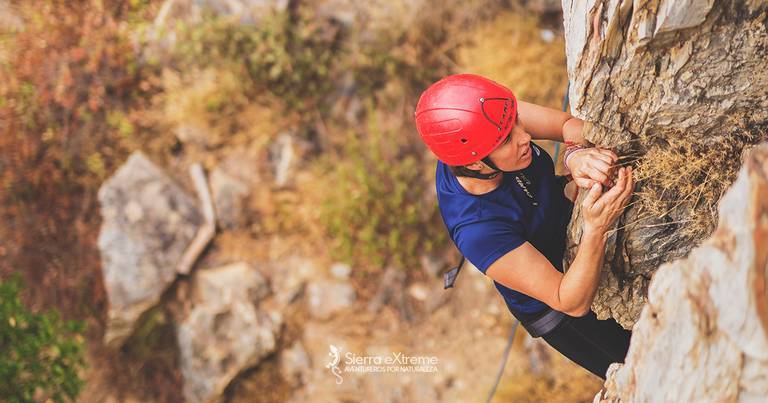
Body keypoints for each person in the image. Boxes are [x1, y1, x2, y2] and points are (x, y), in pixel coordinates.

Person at [414, 73, 634, 379]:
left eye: (516, 120)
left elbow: (566, 125)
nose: (524, 136)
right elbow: (569, 300)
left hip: (559, 226)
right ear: (475, 164)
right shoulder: (479, 230)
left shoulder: (489, 123)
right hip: (565, 315)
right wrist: (596, 229)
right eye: (506, 139)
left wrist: (574, 156)